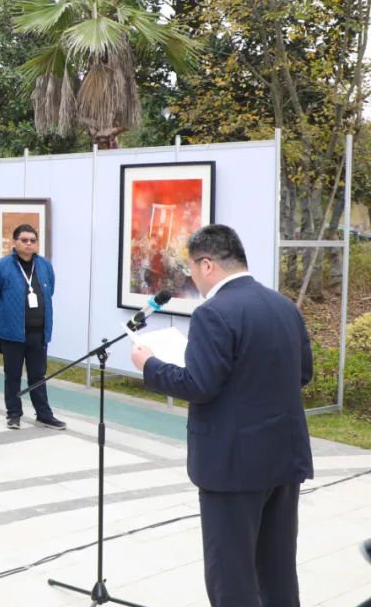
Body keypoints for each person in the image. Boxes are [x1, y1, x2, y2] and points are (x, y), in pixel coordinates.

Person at [130, 225, 313, 606]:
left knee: (232, 578)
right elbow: (303, 374)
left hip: (232, 466)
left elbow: (198, 384)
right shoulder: (283, 306)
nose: (193, 278)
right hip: (282, 458)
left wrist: (150, 365)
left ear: (207, 264)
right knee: (277, 571)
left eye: (192, 269)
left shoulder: (213, 313)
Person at [0, 224, 65, 430]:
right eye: (24, 240)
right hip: (12, 333)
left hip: (38, 332)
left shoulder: (45, 265)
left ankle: (44, 415)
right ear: (15, 242)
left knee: (38, 375)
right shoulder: (1, 266)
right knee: (12, 375)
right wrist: (8, 311)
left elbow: (50, 290)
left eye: (32, 240)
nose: (29, 244)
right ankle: (14, 414)